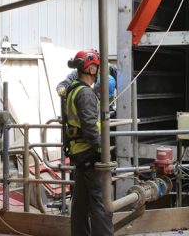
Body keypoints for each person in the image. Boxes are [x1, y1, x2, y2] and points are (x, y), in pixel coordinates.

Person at [62, 49, 113, 236]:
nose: (99, 71)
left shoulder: (73, 89)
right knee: (102, 202)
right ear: (91, 68)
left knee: (80, 203)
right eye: (97, 67)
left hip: (79, 153)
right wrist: (102, 152)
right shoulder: (85, 93)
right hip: (90, 153)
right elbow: (91, 127)